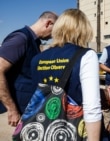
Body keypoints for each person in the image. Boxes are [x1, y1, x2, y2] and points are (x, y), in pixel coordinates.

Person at [30, 9, 102, 141]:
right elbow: (92, 107)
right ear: (83, 30)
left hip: (41, 131)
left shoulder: (37, 59)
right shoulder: (86, 56)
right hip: (71, 132)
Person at [0, 11, 58, 127]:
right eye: (54, 31)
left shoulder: (33, 41)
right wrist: (12, 110)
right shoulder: (21, 39)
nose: (53, 36)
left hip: (26, 109)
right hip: (15, 113)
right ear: (48, 23)